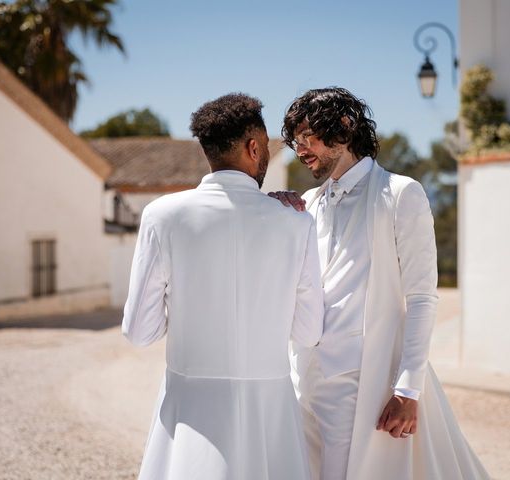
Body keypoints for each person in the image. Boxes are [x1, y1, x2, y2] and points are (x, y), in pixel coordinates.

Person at [273, 87, 490, 480]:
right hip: (303, 377)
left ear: (345, 126)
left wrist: (408, 390)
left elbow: (422, 296)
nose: (301, 150)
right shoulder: (307, 203)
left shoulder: (401, 193)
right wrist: (274, 215)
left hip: (361, 383)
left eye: (310, 137)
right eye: (296, 142)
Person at [122, 93, 324, 480]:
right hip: (270, 414)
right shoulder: (296, 223)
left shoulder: (161, 216)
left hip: (189, 411)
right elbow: (308, 332)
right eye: (265, 146)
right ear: (253, 147)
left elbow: (138, 331)